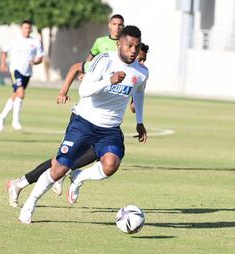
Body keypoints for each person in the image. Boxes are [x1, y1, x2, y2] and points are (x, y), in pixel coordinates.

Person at [18, 25, 149, 224]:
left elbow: (139, 93)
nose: (133, 51)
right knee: (59, 170)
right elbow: (84, 90)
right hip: (84, 122)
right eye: (129, 46)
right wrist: (109, 80)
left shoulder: (141, 72)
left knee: (111, 165)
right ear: (118, 45)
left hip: (110, 128)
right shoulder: (104, 61)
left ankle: (79, 177)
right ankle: (31, 203)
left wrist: (139, 121)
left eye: (136, 47)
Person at [0, 20, 44, 131]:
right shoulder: (15, 40)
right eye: (24, 27)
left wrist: (35, 62)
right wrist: (3, 63)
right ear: (21, 28)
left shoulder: (35, 42)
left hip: (27, 72)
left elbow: (40, 58)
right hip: (15, 70)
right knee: (21, 93)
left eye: (28, 28)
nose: (26, 30)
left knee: (15, 95)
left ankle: (2, 116)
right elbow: (4, 51)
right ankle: (15, 121)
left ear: (31, 29)